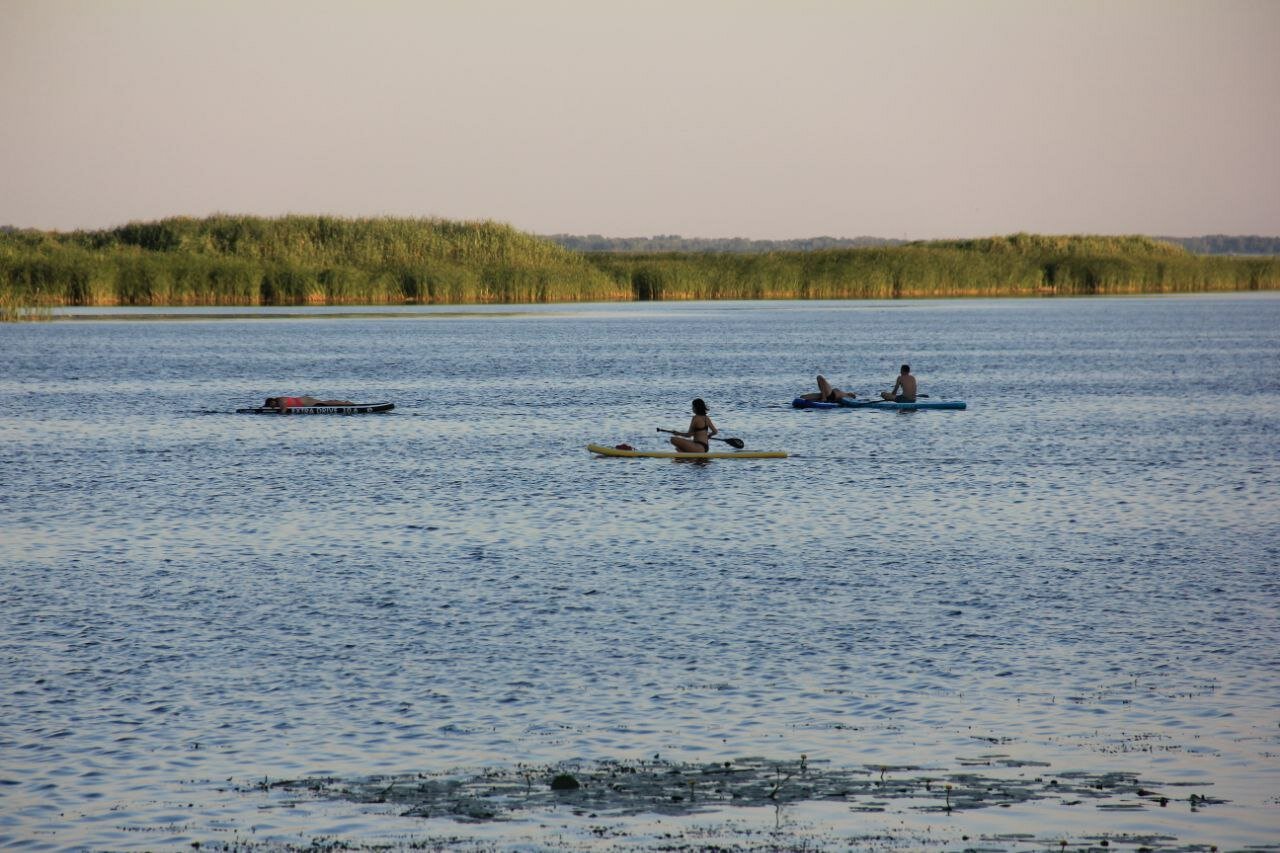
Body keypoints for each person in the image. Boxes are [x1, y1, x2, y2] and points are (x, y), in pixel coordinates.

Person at [265, 396, 356, 412]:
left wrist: (280, 414)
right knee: (325, 403)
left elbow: (284, 409)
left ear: (273, 401)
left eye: (271, 405)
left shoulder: (280, 400)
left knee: (325, 403)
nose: (272, 407)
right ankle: (344, 403)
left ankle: (345, 403)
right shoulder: (277, 402)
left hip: (304, 402)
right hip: (303, 401)